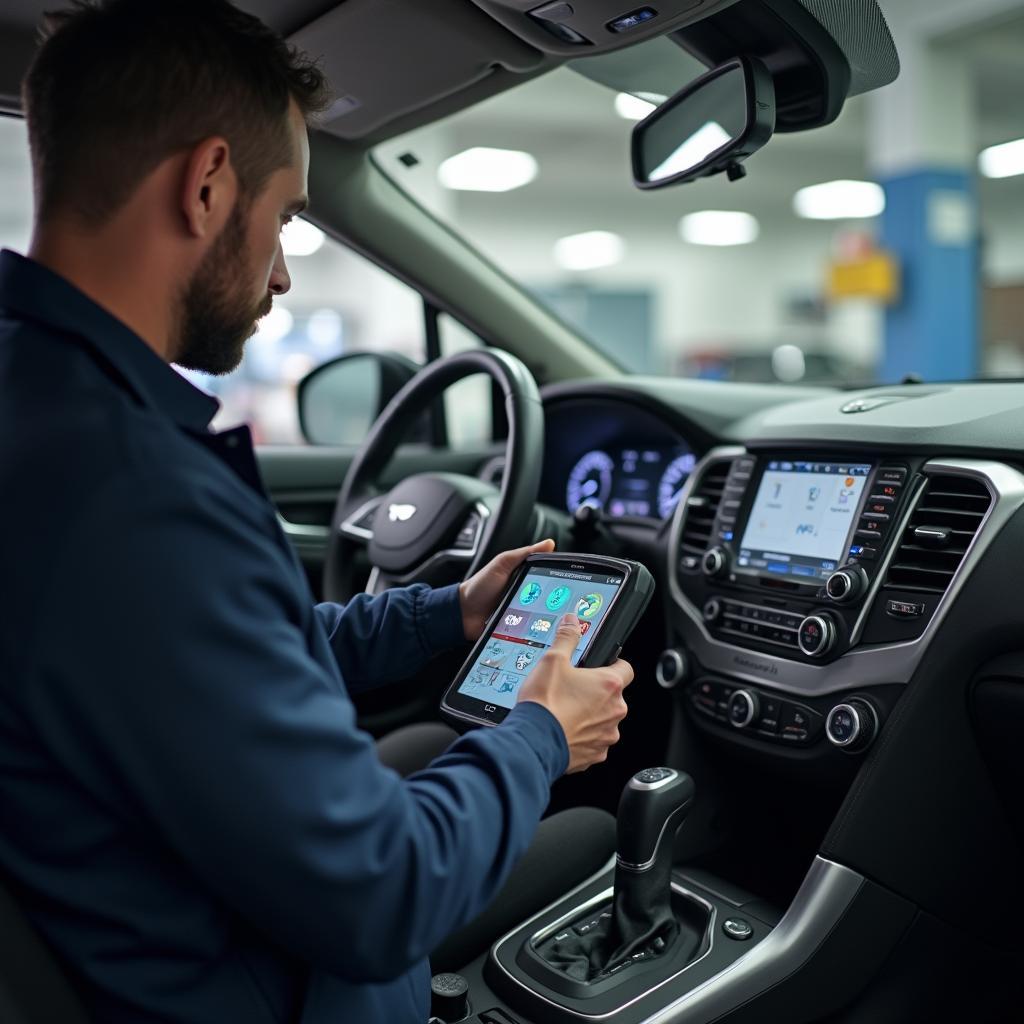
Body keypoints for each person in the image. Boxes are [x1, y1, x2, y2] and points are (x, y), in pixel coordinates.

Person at [0, 1, 634, 1021]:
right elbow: (383, 896)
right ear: (208, 185)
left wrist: (445, 612)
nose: (284, 271)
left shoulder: (43, 404)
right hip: (265, 979)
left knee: (434, 748)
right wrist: (541, 734)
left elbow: (210, 657)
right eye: (286, 216)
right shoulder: (131, 492)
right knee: (594, 834)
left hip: (148, 915)